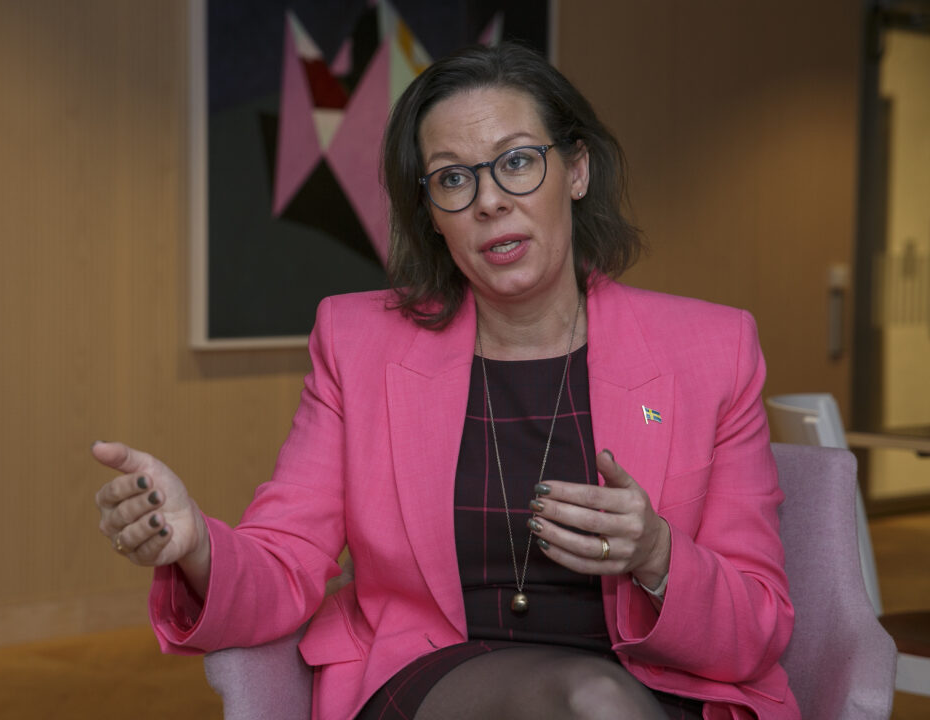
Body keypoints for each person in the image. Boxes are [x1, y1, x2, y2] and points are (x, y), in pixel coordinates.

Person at [93, 42, 797, 720]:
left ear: (577, 171)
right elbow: (285, 561)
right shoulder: (356, 343)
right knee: (593, 702)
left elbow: (759, 625)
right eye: (454, 179)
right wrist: (197, 545)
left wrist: (657, 555)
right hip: (440, 680)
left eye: (517, 162)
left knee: (602, 701)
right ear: (431, 213)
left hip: (654, 686)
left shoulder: (714, 350)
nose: (489, 201)